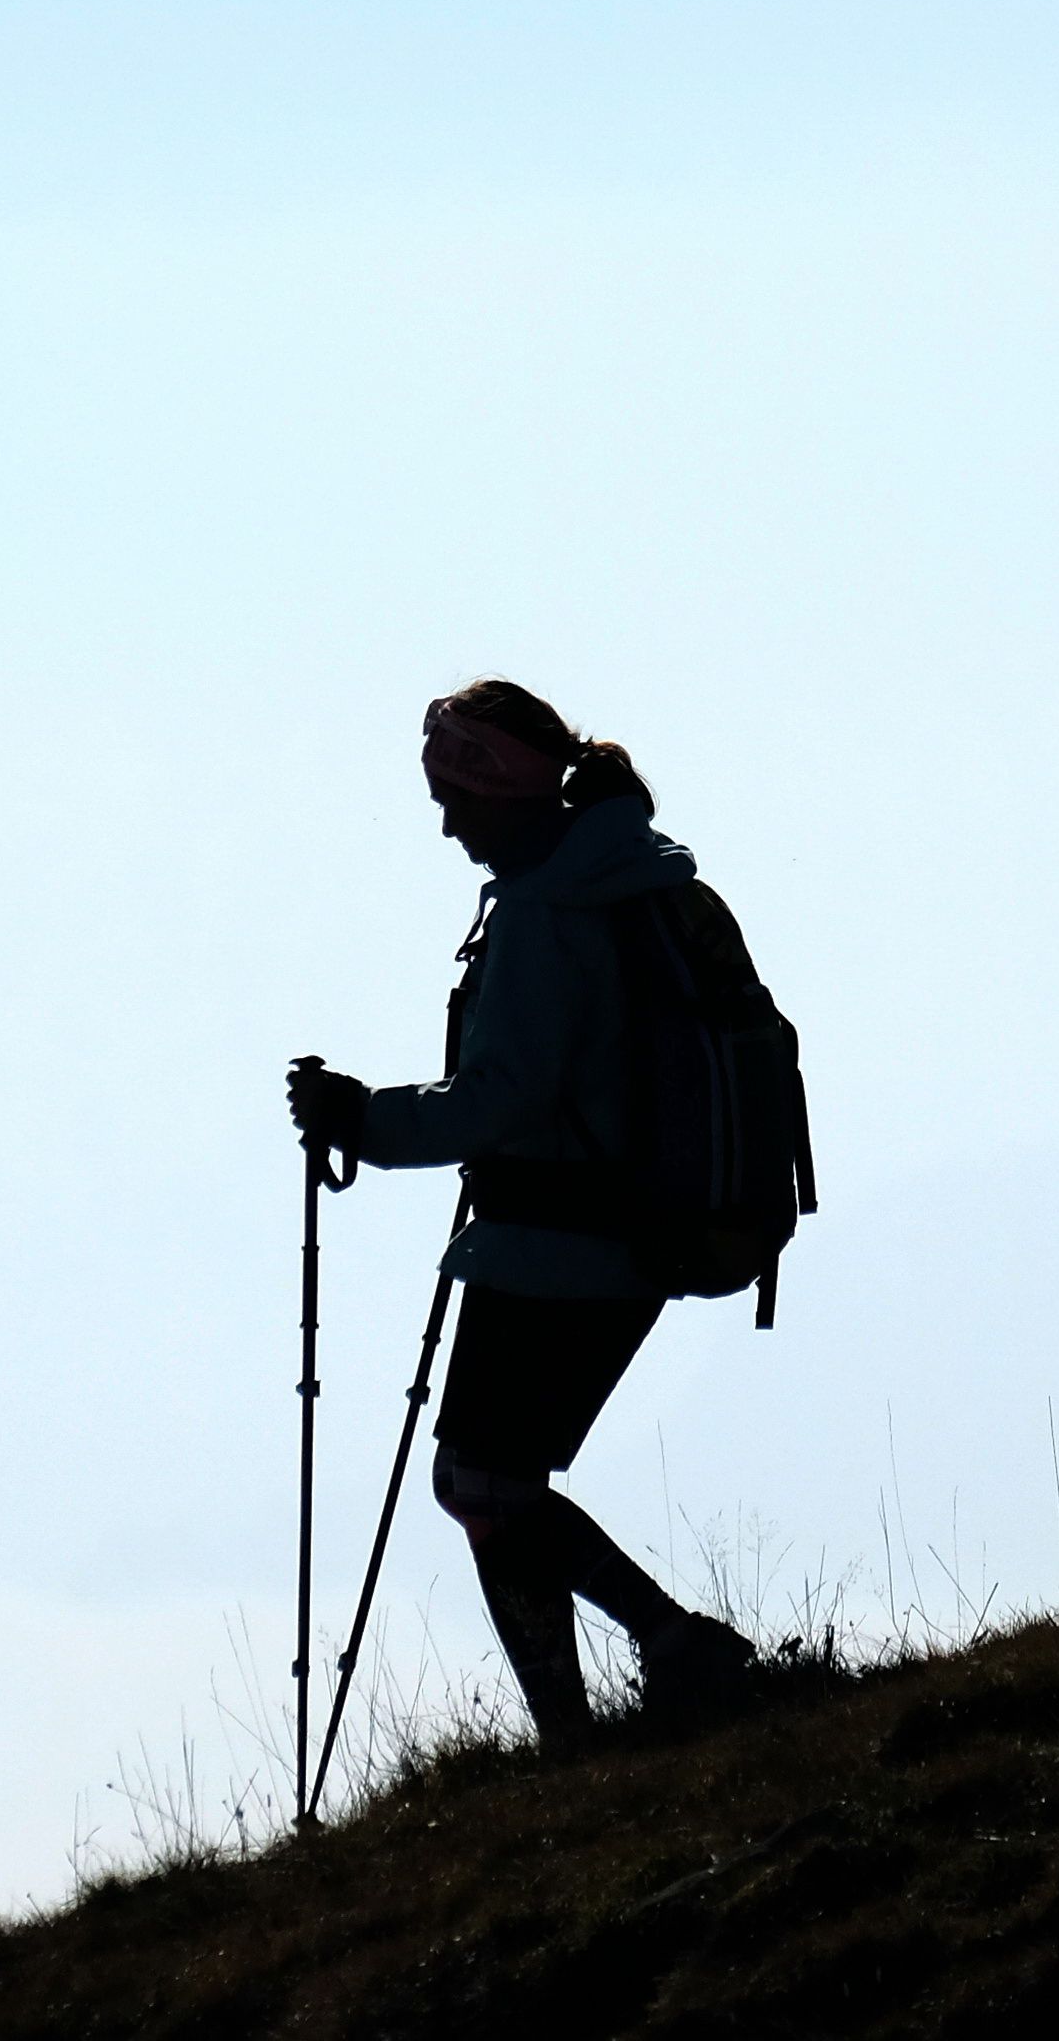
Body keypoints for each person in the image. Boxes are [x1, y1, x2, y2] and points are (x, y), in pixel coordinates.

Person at [287, 681, 762, 1750]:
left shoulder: (551, 910)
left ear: (503, 785)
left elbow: (509, 1094)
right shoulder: (623, 877)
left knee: (479, 1480)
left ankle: (665, 1658)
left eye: (456, 795)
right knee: (492, 1483)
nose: (448, 822)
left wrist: (360, 1119)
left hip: (556, 1238)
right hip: (631, 1231)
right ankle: (593, 1720)